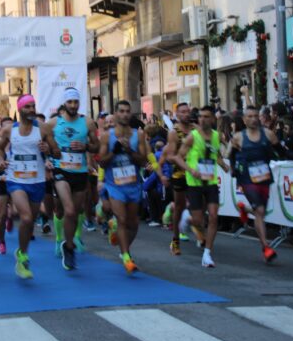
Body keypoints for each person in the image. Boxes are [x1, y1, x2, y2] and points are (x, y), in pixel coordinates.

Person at [0, 94, 61, 279]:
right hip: (16, 180)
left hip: (37, 180)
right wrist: (1, 160)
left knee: (30, 220)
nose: (32, 110)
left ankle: (21, 251)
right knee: (25, 217)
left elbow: (57, 153)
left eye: (33, 106)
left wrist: (49, 151)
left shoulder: (43, 128)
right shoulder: (9, 130)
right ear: (19, 109)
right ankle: (23, 257)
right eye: (28, 107)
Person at [98, 100, 164, 274]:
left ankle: (123, 244)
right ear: (116, 113)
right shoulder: (107, 136)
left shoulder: (138, 135)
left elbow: (143, 161)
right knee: (121, 219)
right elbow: (102, 163)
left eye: (128, 111)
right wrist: (115, 151)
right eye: (121, 111)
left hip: (134, 185)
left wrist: (128, 151)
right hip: (115, 186)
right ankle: (126, 256)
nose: (125, 114)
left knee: (133, 223)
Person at [48, 87, 100, 270]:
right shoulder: (54, 123)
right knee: (69, 211)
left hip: (80, 172)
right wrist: (48, 158)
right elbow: (45, 145)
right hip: (61, 171)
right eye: (70, 102)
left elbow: (97, 147)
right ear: (65, 103)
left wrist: (85, 146)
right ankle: (64, 244)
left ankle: (68, 246)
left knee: (75, 211)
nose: (73, 105)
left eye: (76, 102)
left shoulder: (88, 122)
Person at [173, 106, 229, 268]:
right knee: (198, 220)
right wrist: (190, 169)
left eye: (207, 117)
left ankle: (207, 254)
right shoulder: (192, 137)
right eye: (201, 116)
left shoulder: (216, 136)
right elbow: (178, 157)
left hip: (210, 182)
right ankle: (187, 218)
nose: (203, 119)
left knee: (213, 217)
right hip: (195, 183)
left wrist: (224, 166)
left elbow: (215, 155)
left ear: (212, 119)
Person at [230, 106, 280, 263]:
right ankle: (266, 247)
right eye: (249, 116)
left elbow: (280, 152)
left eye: (255, 116)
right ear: (244, 120)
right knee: (259, 210)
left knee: (261, 211)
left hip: (264, 177)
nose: (253, 119)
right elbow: (231, 155)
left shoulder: (268, 134)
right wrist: (233, 170)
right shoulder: (238, 137)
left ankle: (245, 209)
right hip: (246, 178)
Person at [161, 103, 191, 255]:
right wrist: (182, 158)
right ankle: (175, 239)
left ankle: (196, 230)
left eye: (188, 111)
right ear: (177, 115)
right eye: (183, 112)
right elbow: (170, 156)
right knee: (179, 207)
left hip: (195, 174)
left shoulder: (195, 129)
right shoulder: (174, 132)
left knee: (200, 205)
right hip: (179, 174)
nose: (186, 114)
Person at [0, 117, 14, 255]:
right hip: (0, 181)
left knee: (17, 211)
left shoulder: (19, 146)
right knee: (1, 215)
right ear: (1, 130)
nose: (9, 131)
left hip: (17, 181)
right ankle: (1, 242)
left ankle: (10, 217)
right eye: (6, 127)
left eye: (12, 127)